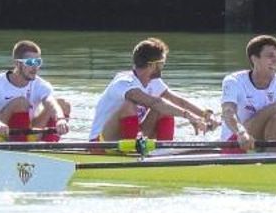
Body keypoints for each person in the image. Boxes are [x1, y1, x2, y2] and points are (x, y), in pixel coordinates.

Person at [88, 37, 219, 142]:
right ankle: (132, 153)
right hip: (100, 142)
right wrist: (189, 116)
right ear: (152, 65)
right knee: (130, 106)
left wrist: (206, 115)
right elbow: (154, 103)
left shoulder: (154, 82)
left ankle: (164, 152)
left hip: (131, 136)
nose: (163, 67)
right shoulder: (124, 82)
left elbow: (180, 102)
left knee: (166, 109)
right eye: (161, 64)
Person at [0, 40, 73, 141]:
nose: (35, 67)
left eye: (38, 62)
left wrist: (60, 119)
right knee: (20, 102)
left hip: (27, 133)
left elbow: (50, 102)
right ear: (17, 63)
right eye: (30, 62)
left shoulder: (41, 84)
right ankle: (21, 147)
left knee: (62, 104)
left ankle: (48, 146)